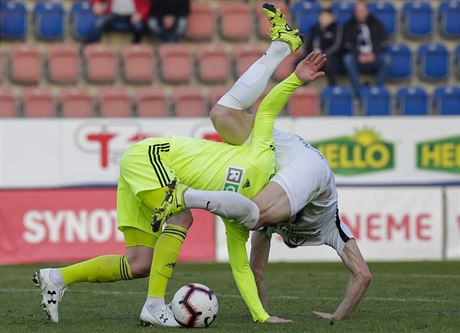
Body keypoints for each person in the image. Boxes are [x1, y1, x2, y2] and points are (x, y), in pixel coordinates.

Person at [33, 4, 324, 327]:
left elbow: (241, 268)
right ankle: (154, 305)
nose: (269, 215)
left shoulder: (239, 221)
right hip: (152, 157)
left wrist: (262, 316)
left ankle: (57, 278)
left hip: (150, 173)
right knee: (182, 214)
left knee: (138, 263)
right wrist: (296, 80)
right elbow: (267, 110)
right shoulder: (264, 155)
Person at [342, 0, 388, 97]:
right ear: (354, 12)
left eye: (362, 11)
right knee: (347, 59)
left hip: (374, 57)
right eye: (358, 11)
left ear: (368, 11)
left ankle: (377, 91)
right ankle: (358, 92)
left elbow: (383, 41)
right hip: (357, 58)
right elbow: (346, 44)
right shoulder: (348, 25)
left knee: (386, 59)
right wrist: (359, 55)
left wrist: (374, 54)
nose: (360, 13)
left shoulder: (377, 23)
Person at [304, 8, 343, 86]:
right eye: (322, 16)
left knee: (329, 63)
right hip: (313, 56)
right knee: (298, 62)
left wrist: (323, 55)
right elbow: (308, 45)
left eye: (327, 17)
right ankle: (303, 87)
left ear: (332, 18)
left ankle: (333, 86)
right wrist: (310, 55)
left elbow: (336, 46)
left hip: (328, 56)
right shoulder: (314, 28)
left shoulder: (336, 28)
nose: (324, 19)